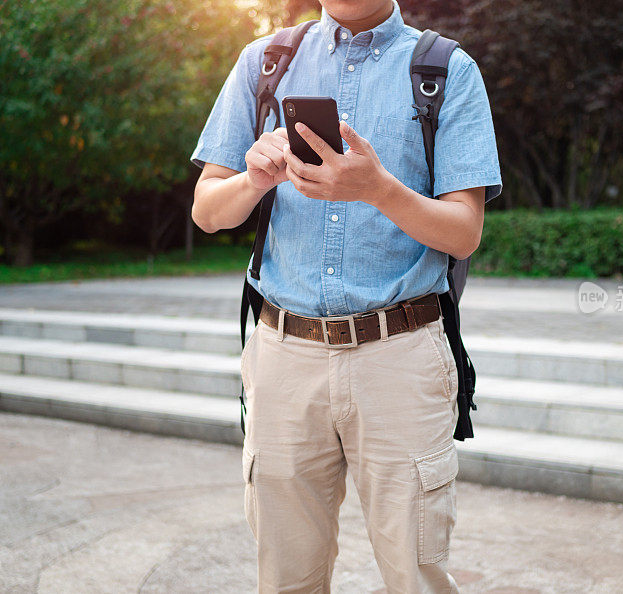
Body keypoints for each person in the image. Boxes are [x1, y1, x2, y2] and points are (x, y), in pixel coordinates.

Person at [189, 0, 502, 591]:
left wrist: (377, 188)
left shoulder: (443, 70)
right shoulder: (265, 63)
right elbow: (208, 211)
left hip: (401, 354)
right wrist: (253, 179)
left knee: (417, 574)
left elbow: (465, 230)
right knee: (286, 578)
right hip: (285, 354)